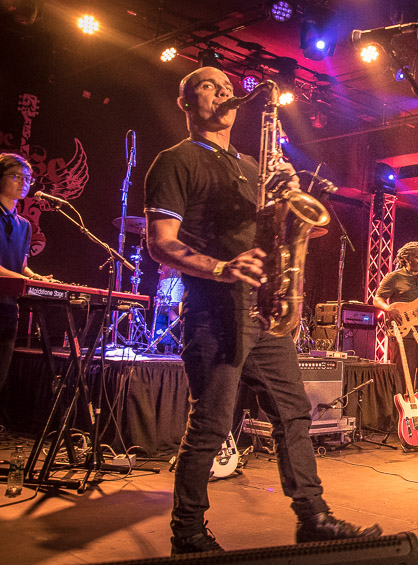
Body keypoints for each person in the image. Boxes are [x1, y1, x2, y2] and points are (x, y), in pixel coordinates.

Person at [144, 67, 381, 554]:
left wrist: (290, 193)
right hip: (214, 311)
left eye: (227, 88)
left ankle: (313, 517)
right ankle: (187, 532)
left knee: (294, 414)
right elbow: (159, 243)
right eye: (208, 86)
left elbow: (292, 227)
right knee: (211, 424)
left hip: (266, 311)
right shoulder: (175, 161)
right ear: (185, 102)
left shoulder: (253, 166)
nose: (222, 93)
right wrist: (221, 267)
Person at [0, 153, 51, 400]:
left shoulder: (24, 225)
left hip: (8, 307)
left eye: (28, 178)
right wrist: (24, 281)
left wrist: (36, 277)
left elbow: (21, 266)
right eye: (16, 176)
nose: (24, 183)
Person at [372, 241, 418, 392]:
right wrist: (389, 309)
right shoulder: (394, 277)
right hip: (404, 335)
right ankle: (401, 405)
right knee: (403, 377)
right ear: (406, 258)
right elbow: (377, 299)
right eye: (417, 257)